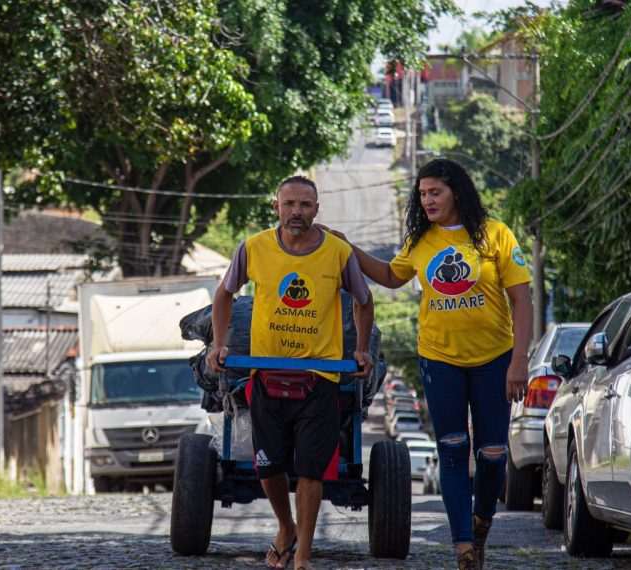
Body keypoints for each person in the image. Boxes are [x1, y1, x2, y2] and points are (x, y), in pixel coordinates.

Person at [325, 158, 532, 570]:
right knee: (453, 450)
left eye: (435, 192)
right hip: (439, 358)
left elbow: (522, 300)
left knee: (492, 454)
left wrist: (519, 362)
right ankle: (463, 548)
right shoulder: (421, 241)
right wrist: (348, 247)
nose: (428, 200)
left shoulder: (496, 234)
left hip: (495, 360)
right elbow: (389, 275)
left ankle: (481, 522)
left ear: (457, 191)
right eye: (422, 194)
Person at [207, 175, 374, 570]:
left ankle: (302, 556)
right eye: (289, 204)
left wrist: (362, 349)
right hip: (267, 376)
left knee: (311, 471)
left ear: (317, 209)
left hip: (320, 381)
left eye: (305, 205)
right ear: (276, 207)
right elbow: (224, 294)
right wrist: (219, 344)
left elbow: (364, 301)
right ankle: (286, 526)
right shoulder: (253, 248)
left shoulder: (337, 251)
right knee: (268, 465)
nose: (297, 212)